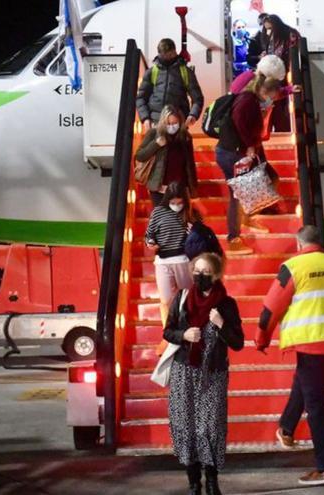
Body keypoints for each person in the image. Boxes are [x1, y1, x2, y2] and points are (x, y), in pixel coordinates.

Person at [255, 225, 324, 486]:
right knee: (303, 384)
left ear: (298, 244)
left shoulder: (293, 267)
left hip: (308, 340)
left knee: (315, 406)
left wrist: (262, 337)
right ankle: (286, 428)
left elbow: (271, 306)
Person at [164, 252, 244, 495]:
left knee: (209, 428)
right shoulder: (182, 298)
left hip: (213, 375)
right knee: (185, 426)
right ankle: (193, 483)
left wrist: (221, 324)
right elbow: (168, 331)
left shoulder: (226, 304)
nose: (200, 276)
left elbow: (238, 342)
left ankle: (212, 481)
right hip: (184, 372)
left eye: (206, 272)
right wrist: (183, 335)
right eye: (196, 271)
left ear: (217, 275)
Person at [215, 75, 284, 256]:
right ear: (264, 91)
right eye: (273, 97)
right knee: (237, 194)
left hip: (240, 150)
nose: (273, 101)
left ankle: (247, 216)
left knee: (271, 177)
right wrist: (249, 146)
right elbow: (240, 124)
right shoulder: (247, 101)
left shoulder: (253, 99)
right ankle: (233, 239)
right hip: (233, 153)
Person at [145, 182, 197, 323]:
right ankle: (169, 331)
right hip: (162, 261)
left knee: (188, 297)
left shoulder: (191, 212)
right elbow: (149, 235)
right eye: (172, 202)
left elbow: (201, 235)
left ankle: (188, 325)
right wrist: (151, 244)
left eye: (179, 202)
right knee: (166, 299)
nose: (176, 205)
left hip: (184, 260)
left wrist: (193, 232)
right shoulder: (158, 212)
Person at [135, 105, 198, 206]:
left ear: (180, 122)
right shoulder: (154, 133)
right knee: (162, 218)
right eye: (168, 123)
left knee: (179, 220)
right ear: (163, 122)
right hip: (159, 188)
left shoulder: (185, 137)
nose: (171, 126)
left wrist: (192, 187)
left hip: (179, 188)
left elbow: (190, 164)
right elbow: (140, 156)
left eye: (174, 123)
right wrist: (156, 144)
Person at [137, 39, 205, 131]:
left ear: (175, 51)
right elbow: (141, 98)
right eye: (166, 55)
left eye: (171, 54)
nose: (169, 57)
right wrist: (145, 118)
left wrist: (193, 115)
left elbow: (198, 99)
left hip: (178, 122)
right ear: (160, 54)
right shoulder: (152, 72)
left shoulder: (185, 72)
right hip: (156, 123)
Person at [261, 15, 301, 131]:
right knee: (277, 102)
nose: (267, 32)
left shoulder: (288, 35)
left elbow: (291, 54)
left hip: (284, 74)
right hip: (277, 74)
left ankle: (282, 128)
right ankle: (279, 127)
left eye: (269, 28)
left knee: (281, 103)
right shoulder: (277, 37)